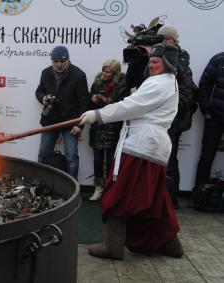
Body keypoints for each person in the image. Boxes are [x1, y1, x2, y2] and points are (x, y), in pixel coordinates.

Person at [79, 43, 183, 259]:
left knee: (118, 193)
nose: (151, 65)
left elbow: (130, 105)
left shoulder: (160, 84)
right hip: (150, 146)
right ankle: (169, 244)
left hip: (142, 146)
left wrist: (97, 115)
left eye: (156, 62)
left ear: (168, 64)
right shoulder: (163, 82)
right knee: (155, 199)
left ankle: (113, 245)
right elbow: (134, 92)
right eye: (150, 61)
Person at [157, 24, 197, 208]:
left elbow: (185, 91)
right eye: (162, 39)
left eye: (168, 39)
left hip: (174, 118)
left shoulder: (182, 59)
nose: (164, 42)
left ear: (175, 40)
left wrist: (171, 109)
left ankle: (171, 201)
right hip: (157, 118)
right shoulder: (155, 58)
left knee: (170, 158)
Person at [36, 46, 89, 179]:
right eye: (55, 61)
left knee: (71, 157)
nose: (59, 65)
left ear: (68, 60)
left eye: (62, 61)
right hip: (50, 120)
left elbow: (84, 102)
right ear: (51, 61)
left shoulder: (79, 75)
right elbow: (39, 90)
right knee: (43, 154)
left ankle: (72, 189)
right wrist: (43, 98)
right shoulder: (46, 72)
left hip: (71, 122)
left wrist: (80, 125)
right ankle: (41, 185)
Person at [88, 59, 129, 201]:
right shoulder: (97, 83)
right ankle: (98, 188)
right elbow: (90, 104)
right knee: (98, 160)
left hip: (114, 128)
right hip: (97, 127)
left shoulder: (123, 86)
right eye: (104, 70)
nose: (105, 74)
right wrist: (92, 98)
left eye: (108, 72)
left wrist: (108, 102)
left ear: (115, 72)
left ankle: (111, 190)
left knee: (112, 161)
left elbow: (124, 107)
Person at [194, 52, 224, 189]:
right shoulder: (219, 59)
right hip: (215, 117)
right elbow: (204, 84)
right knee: (206, 157)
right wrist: (206, 110)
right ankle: (199, 193)